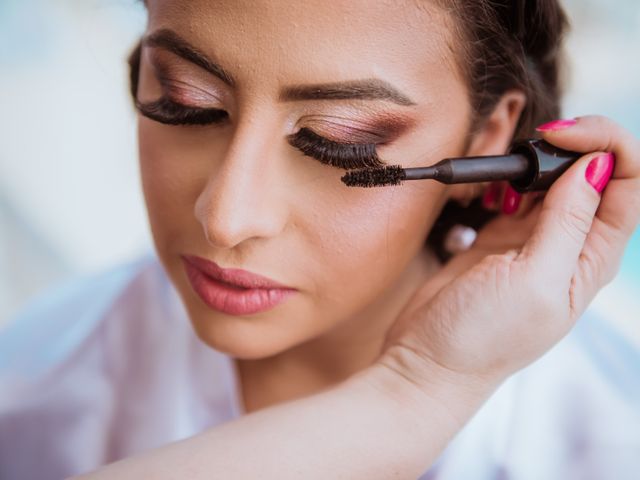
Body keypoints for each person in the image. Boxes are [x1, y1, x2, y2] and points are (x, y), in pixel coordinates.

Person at [1, 1, 639, 479]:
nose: (225, 217)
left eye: (339, 142)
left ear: (489, 140)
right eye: (185, 102)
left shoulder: (613, 438)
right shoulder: (29, 391)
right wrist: (415, 390)